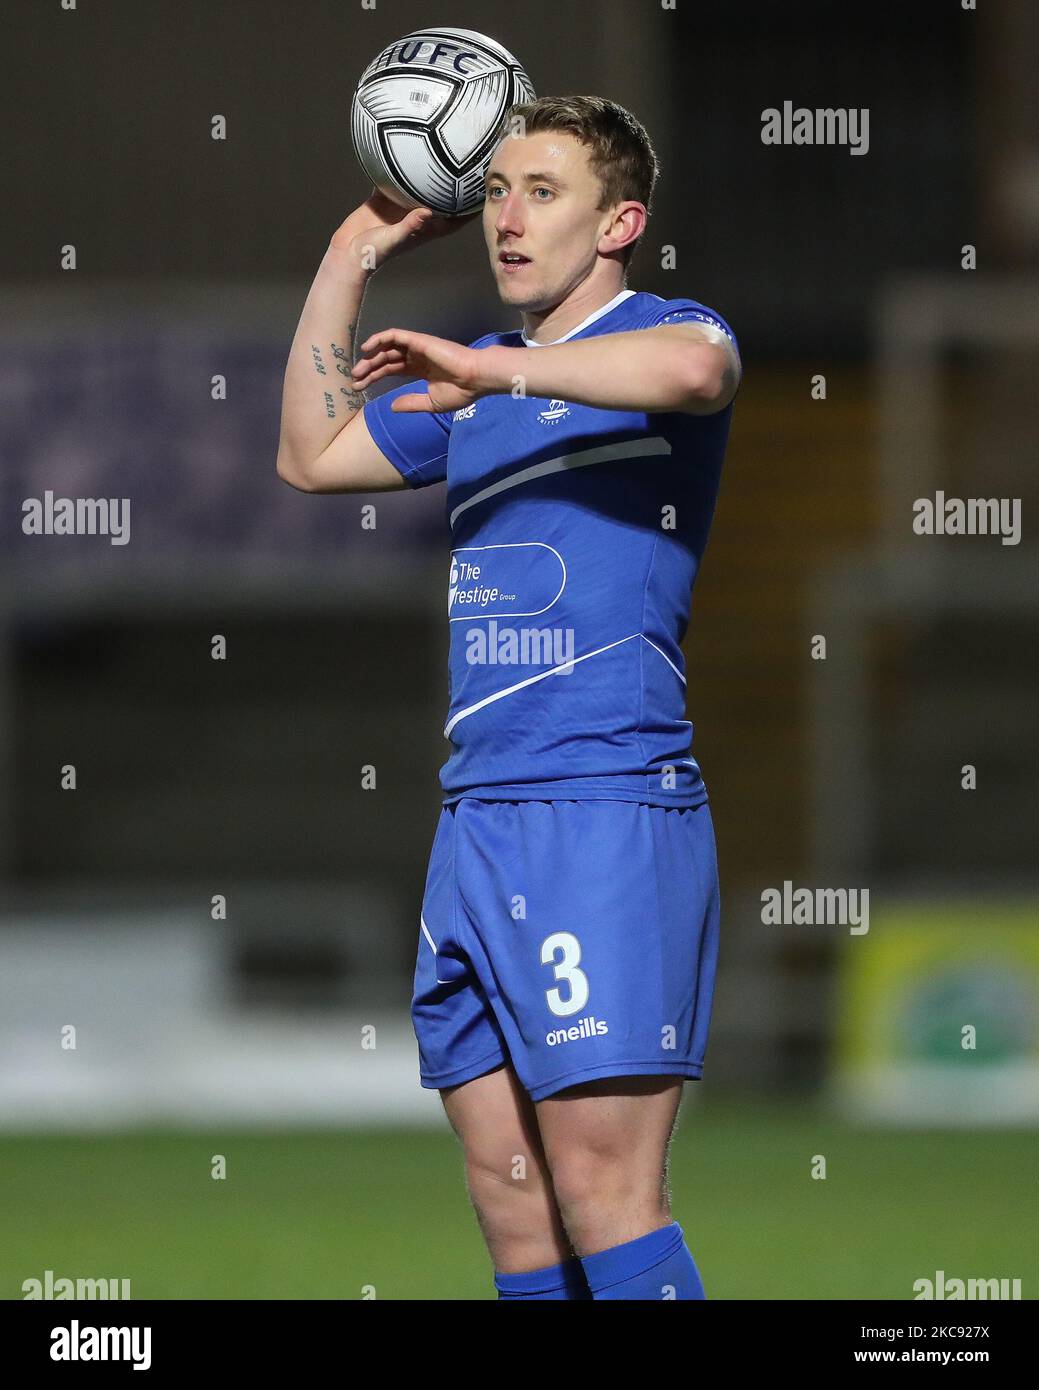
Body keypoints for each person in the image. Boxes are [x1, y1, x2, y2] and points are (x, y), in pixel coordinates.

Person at [276, 94, 741, 1301]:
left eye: (543, 192)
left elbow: (699, 369)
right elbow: (311, 455)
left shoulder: (663, 334)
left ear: (620, 220)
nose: (508, 219)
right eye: (495, 192)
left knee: (603, 1194)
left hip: (604, 807)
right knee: (513, 1204)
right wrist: (352, 252)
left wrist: (488, 367)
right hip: (475, 820)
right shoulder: (482, 394)